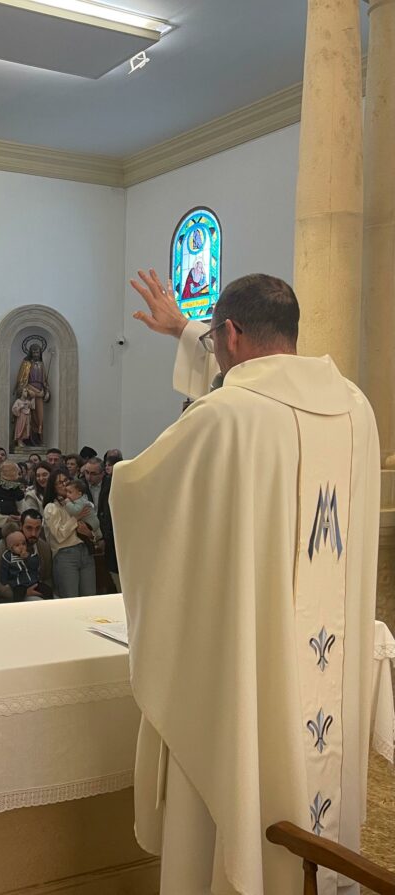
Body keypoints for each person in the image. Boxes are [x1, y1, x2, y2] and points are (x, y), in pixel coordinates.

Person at [119, 268, 384, 893]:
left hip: (251, 662)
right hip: (326, 659)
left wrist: (117, 485)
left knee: (244, 760)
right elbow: (259, 395)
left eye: (214, 338)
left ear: (231, 333)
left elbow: (141, 496)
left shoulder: (225, 416)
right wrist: (188, 331)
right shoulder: (357, 409)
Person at [42, 471, 96, 598]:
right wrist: (75, 519)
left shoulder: (80, 503)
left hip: (85, 551)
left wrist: (89, 533)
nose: (64, 484)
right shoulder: (51, 507)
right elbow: (59, 535)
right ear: (53, 487)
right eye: (60, 483)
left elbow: (92, 528)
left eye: (66, 480)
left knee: (90, 597)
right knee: (70, 598)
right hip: (65, 554)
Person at [0, 509, 54, 601]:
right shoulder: (3, 546)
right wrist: (22, 593)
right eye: (29, 528)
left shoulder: (43, 547)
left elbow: (47, 577)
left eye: (37, 528)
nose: (33, 533)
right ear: (21, 526)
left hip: (37, 590)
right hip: (12, 595)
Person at [82, 457, 117, 589]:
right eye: (86, 472)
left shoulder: (112, 485)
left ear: (102, 473)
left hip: (109, 535)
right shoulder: (80, 485)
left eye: (93, 474)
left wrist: (104, 538)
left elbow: (111, 516)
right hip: (87, 534)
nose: (88, 477)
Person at [0, 530, 51, 600]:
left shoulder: (30, 553)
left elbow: (36, 565)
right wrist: (4, 582)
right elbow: (4, 569)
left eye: (23, 544)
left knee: (47, 590)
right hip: (18, 584)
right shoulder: (7, 556)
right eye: (17, 545)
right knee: (18, 595)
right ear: (11, 548)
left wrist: (28, 558)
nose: (21, 547)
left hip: (33, 582)